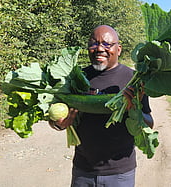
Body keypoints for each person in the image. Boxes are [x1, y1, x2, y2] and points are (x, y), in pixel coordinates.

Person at [49, 25, 154, 187]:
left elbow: (149, 122)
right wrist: (59, 124)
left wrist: (134, 109)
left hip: (120, 173)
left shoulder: (133, 80)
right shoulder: (76, 77)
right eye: (94, 43)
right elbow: (57, 120)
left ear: (118, 49)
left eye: (106, 44)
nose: (99, 48)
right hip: (83, 170)